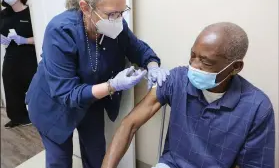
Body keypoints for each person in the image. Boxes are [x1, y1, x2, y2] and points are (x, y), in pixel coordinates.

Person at [25, 0, 169, 168]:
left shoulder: (116, 25)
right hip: (54, 105)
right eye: (111, 13)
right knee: (59, 161)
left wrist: (153, 67)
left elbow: (140, 50)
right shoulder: (61, 30)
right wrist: (112, 85)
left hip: (90, 102)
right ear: (85, 7)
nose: (118, 19)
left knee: (97, 157)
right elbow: (65, 93)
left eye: (122, 12)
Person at [101, 22, 275, 168]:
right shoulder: (178, 79)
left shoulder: (257, 107)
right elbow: (129, 124)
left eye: (205, 62)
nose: (194, 66)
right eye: (192, 56)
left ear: (235, 68)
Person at [0, 0, 37, 128]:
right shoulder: (4, 14)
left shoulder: (31, 13)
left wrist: (25, 40)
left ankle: (39, 116)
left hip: (29, 56)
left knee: (34, 86)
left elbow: (41, 35)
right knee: (10, 85)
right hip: (11, 55)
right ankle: (18, 117)